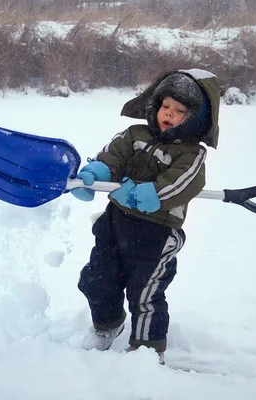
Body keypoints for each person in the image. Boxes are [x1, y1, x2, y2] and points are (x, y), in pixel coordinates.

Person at [71, 69, 221, 364]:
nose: (169, 114)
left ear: (195, 118)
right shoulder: (135, 135)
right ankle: (107, 325)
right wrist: (95, 175)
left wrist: (149, 194)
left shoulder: (191, 154)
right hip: (115, 223)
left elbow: (181, 184)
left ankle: (146, 353)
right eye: (166, 106)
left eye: (180, 111)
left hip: (157, 234)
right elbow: (112, 157)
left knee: (145, 293)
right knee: (98, 279)